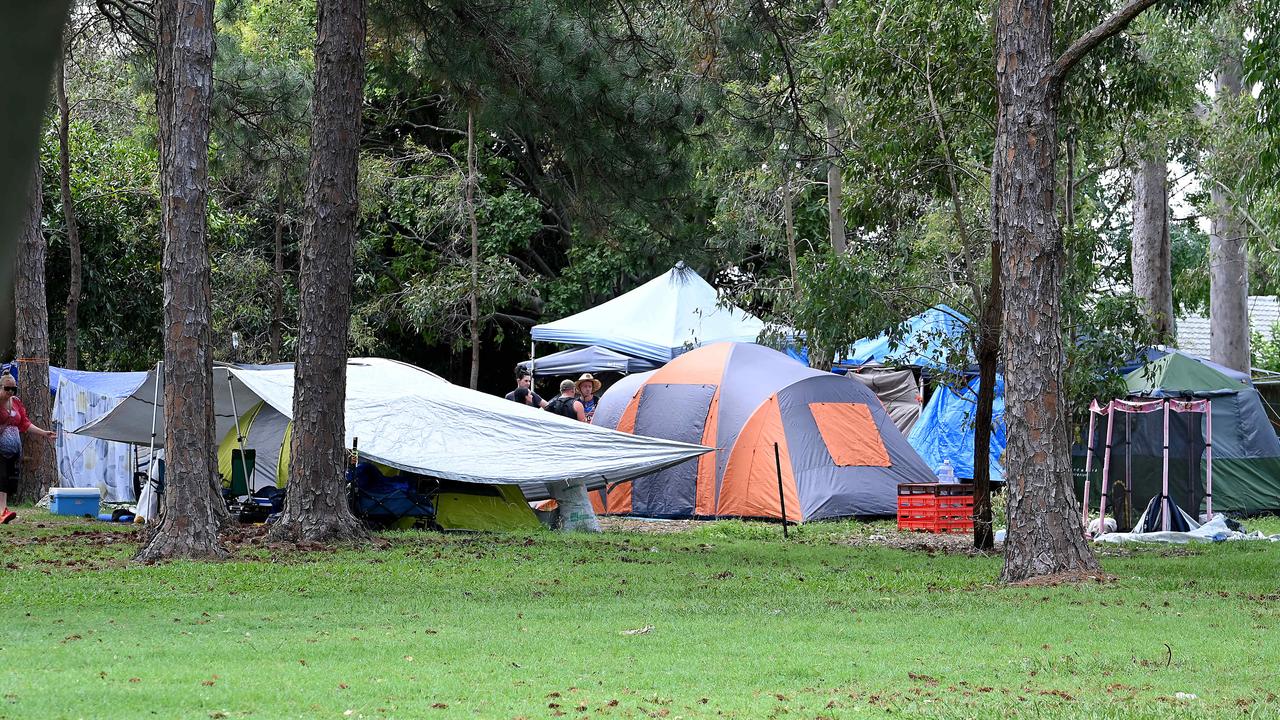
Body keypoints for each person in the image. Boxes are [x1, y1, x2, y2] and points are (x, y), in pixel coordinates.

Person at [1, 373, 57, 524]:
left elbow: (25, 424)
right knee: (2, 478)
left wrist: (44, 433)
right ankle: (2, 511)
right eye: (7, 388)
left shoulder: (16, 403)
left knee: (9, 480)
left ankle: (3, 510)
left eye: (14, 389)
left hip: (13, 449)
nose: (10, 392)